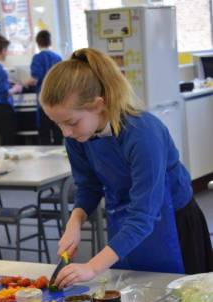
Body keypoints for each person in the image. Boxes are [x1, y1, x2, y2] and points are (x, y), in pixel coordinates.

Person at [39, 48, 213, 288]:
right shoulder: (76, 136)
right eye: (57, 124)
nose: (65, 132)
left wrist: (92, 267)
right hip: (126, 223)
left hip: (173, 223)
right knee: (138, 300)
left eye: (71, 122)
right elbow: (89, 187)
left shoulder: (142, 134)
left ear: (99, 105)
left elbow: (144, 215)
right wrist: (75, 222)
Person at [27, 30, 63, 144]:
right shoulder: (58, 57)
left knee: (44, 131)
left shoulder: (37, 58)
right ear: (50, 42)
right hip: (58, 99)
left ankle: (46, 159)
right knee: (58, 129)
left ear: (38, 43)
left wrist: (23, 83)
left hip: (43, 100)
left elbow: (34, 80)